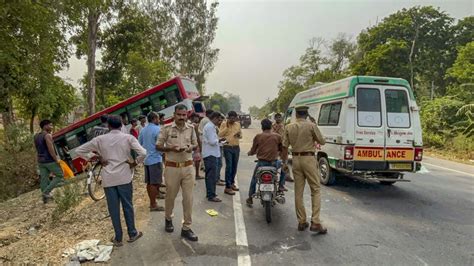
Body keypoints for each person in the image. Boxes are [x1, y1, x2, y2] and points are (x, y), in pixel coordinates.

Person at [76, 115, 146, 246]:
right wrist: (134, 163)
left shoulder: (99, 139)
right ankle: (132, 233)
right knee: (127, 206)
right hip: (124, 177)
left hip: (108, 179)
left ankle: (118, 238)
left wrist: (96, 157)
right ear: (121, 125)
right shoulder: (128, 138)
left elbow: (79, 150)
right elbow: (143, 152)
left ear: (108, 126)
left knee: (113, 209)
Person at [281, 105, 327, 234]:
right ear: (306, 114)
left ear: (296, 115)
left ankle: (301, 221)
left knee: (298, 192)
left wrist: (284, 163)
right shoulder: (311, 126)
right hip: (309, 159)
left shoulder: (289, 127)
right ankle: (316, 222)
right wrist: (315, 125)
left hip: (295, 160)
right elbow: (322, 141)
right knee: (315, 189)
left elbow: (284, 147)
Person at [156, 104, 199, 242]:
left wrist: (190, 147)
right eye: (179, 115)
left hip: (188, 167)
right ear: (174, 115)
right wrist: (170, 148)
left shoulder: (191, 128)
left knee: (188, 199)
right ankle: (168, 218)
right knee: (170, 197)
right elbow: (158, 146)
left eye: (184, 115)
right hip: (172, 167)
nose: (182, 117)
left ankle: (186, 228)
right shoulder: (166, 128)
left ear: (187, 115)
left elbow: (195, 144)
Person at [246, 119, 283, 205]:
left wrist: (250, 153)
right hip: (274, 163)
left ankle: (250, 197)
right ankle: (281, 187)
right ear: (271, 126)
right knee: (284, 170)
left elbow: (253, 150)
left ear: (262, 127)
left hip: (261, 163)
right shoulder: (277, 136)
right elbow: (281, 149)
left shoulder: (258, 136)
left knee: (254, 179)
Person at [138, 111, 165, 212]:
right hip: (155, 158)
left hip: (147, 159)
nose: (159, 120)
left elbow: (139, 144)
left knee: (150, 183)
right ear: (154, 119)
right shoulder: (158, 129)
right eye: (158, 118)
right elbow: (161, 145)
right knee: (155, 183)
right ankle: (153, 204)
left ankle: (153, 202)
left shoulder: (143, 130)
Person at [34, 119, 64, 203]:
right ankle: (46, 192)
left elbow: (37, 149)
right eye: (50, 125)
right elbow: (51, 149)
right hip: (49, 160)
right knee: (60, 175)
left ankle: (45, 199)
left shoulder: (36, 136)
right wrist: (56, 159)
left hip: (40, 161)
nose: (52, 127)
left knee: (44, 178)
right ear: (45, 126)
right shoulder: (47, 136)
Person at [202, 112, 225, 202]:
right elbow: (212, 141)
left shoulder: (210, 126)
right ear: (214, 118)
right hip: (211, 154)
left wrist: (220, 142)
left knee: (209, 176)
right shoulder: (210, 127)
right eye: (218, 119)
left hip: (210, 153)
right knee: (211, 176)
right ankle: (211, 195)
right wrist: (220, 140)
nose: (219, 121)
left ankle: (210, 194)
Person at [218, 111, 242, 195]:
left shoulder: (238, 124)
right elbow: (220, 134)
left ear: (236, 118)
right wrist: (227, 127)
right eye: (230, 117)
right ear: (228, 118)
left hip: (236, 147)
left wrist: (238, 135)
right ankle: (227, 187)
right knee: (229, 166)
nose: (232, 119)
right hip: (227, 147)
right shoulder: (224, 124)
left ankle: (232, 183)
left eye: (233, 117)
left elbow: (241, 136)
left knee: (234, 167)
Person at [272, 113, 293, 188]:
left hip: (283, 147)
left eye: (280, 117)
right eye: (277, 117)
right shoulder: (272, 126)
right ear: (275, 118)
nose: (278, 119)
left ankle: (282, 183)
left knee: (285, 164)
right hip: (275, 147)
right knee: (274, 164)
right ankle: (273, 182)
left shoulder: (285, 126)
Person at [189, 113, 204, 180]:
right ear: (193, 117)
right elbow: (197, 136)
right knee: (197, 160)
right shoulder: (194, 125)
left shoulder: (188, 124)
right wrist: (200, 146)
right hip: (195, 144)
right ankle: (197, 174)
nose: (198, 119)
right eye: (197, 117)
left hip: (189, 144)